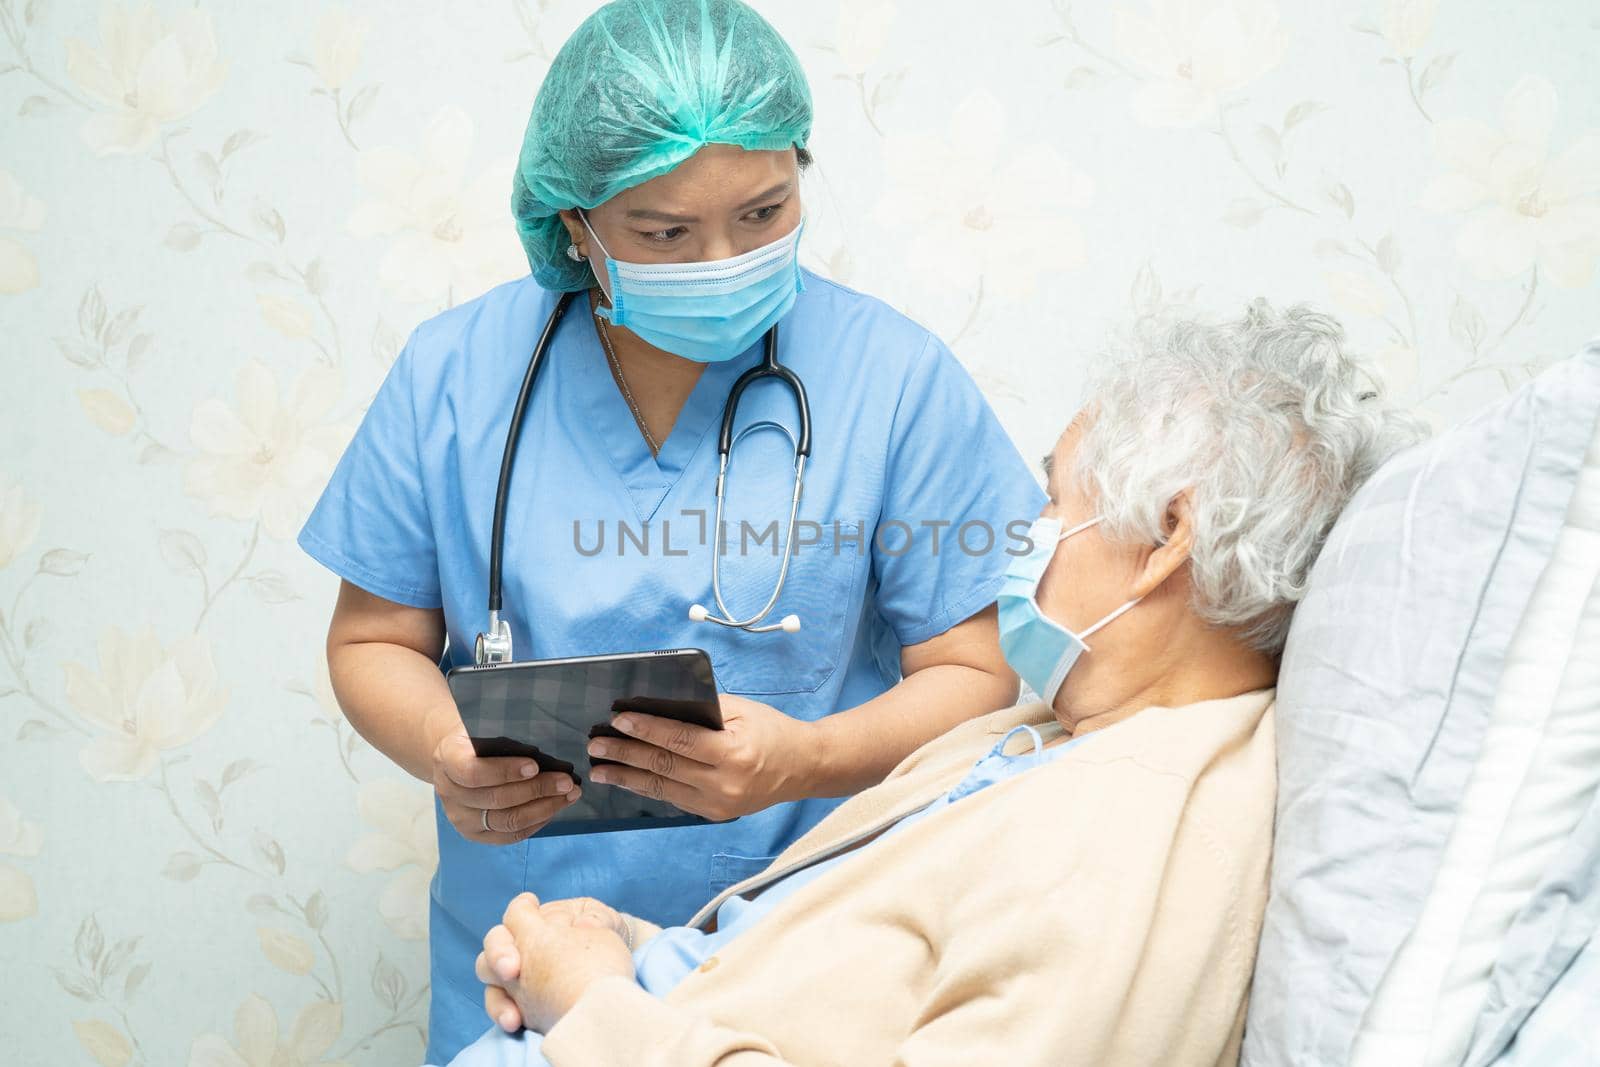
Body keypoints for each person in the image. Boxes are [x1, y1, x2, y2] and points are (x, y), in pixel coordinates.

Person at [295, 1, 1043, 1060]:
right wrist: (442, 748)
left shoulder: (893, 378)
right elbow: (373, 642)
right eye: (663, 232)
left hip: (805, 960)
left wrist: (806, 756)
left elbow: (975, 672)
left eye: (764, 210)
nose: (721, 257)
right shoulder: (453, 376)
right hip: (523, 971)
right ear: (573, 222)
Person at [441, 303, 1428, 1066]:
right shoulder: (1054, 732)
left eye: (1053, 498)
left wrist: (595, 1009)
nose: (1023, 533)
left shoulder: (1142, 835)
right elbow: (842, 986)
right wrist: (628, 951)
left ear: (1169, 538)